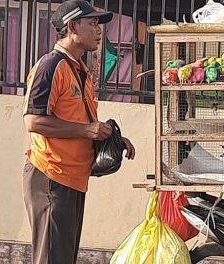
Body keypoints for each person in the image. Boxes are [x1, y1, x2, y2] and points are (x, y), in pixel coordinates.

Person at [22, 1, 135, 263]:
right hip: (50, 177)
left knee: (63, 258)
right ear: (72, 26)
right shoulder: (51, 66)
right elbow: (33, 121)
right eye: (92, 23)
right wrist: (87, 130)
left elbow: (79, 121)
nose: (99, 30)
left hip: (72, 178)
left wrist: (112, 139)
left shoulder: (80, 70)